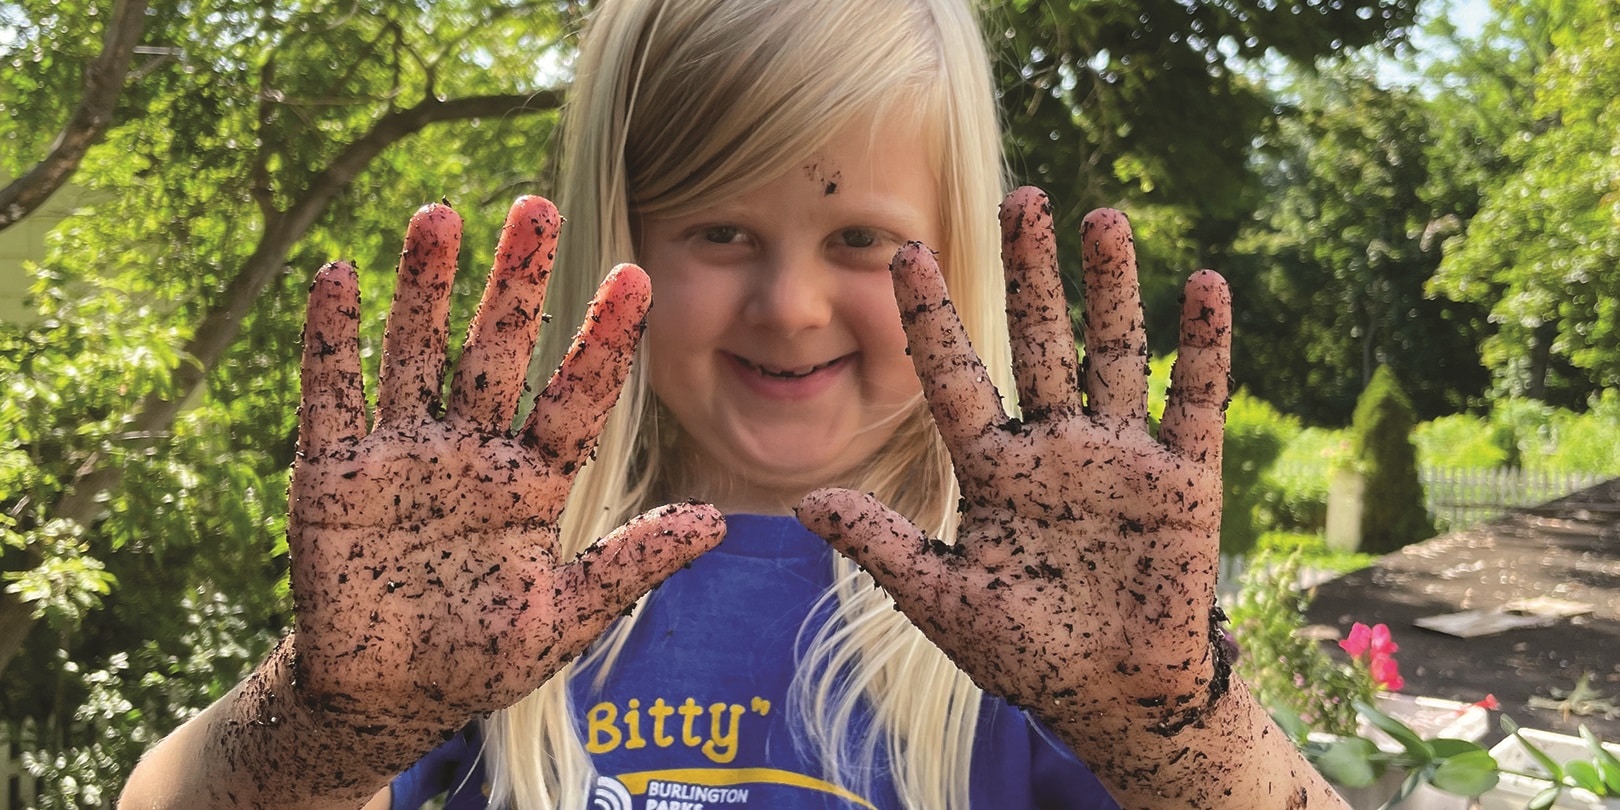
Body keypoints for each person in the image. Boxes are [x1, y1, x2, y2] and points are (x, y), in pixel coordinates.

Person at [118, 0, 1350, 808]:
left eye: (864, 238)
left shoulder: (1037, 624)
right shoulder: (495, 594)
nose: (792, 304)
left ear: (955, 258)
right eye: (719, 229)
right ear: (618, 236)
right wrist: (323, 726)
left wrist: (1181, 732)